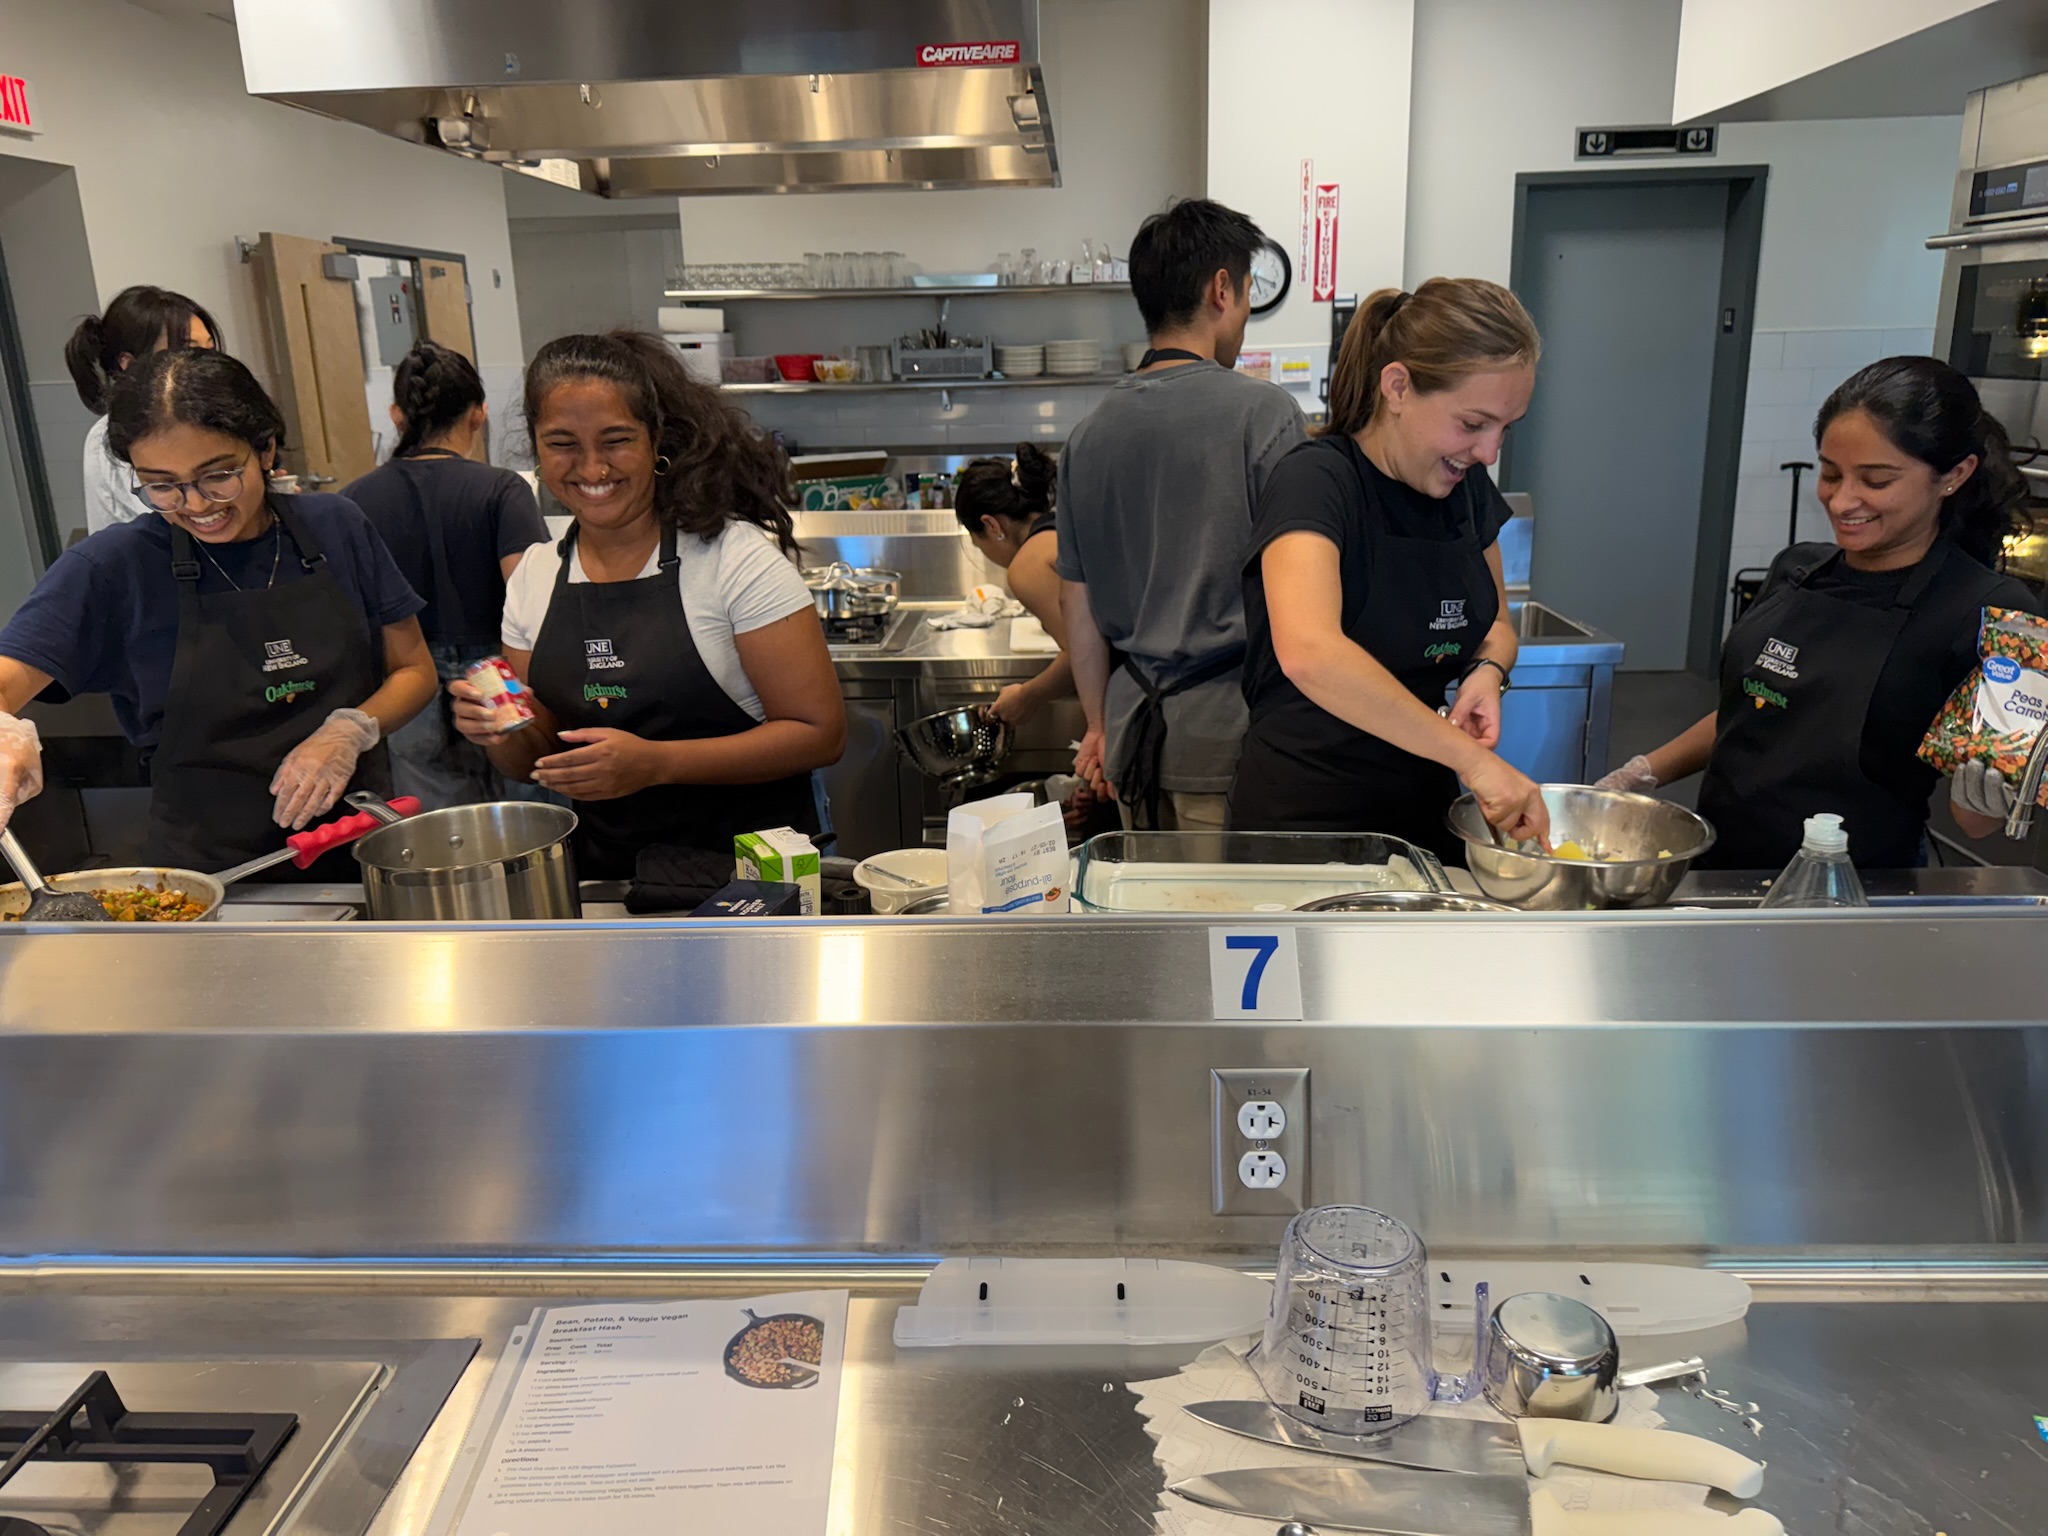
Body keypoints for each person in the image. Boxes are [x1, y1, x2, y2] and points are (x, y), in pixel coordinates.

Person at [1601, 356, 2043, 869]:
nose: (1841, 501)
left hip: (1853, 889)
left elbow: (1977, 823)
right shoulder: (1797, 569)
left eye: (1876, 480)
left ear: (1954, 475)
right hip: (1720, 870)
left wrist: (1987, 792)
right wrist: (1640, 773)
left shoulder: (1994, 615)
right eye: (1831, 474)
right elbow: (1752, 709)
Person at [0, 348, 436, 869]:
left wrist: (352, 728)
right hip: (211, 879)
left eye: (218, 475)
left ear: (265, 449)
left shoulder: (337, 527)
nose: (197, 504)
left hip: (362, 851)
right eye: (162, 485)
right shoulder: (114, 567)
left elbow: (414, 671)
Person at [448, 330, 846, 879]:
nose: (592, 468)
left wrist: (657, 764)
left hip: (755, 875)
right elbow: (535, 760)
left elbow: (820, 734)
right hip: (613, 883)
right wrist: (497, 725)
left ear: (656, 439)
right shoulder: (533, 577)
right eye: (562, 443)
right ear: (537, 449)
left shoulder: (733, 559)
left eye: (615, 440)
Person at [1228, 280, 1551, 856]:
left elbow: (1498, 624)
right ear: (1397, 387)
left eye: (1507, 428)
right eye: (1473, 424)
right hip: (1304, 820)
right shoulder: (1316, 482)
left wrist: (1486, 673)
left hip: (1423, 811)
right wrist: (1475, 761)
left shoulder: (1467, 491)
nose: (1489, 453)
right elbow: (1310, 653)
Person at [1057, 198, 1307, 830]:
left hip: (1130, 728)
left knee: (1148, 892)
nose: (1244, 318)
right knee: (1226, 898)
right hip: (1230, 734)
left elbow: (1077, 604)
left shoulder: (1086, 437)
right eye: (1246, 295)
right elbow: (1305, 594)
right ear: (1222, 289)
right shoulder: (1265, 414)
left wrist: (1098, 725)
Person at [342, 340, 549, 809]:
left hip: (404, 681)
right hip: (498, 674)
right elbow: (529, 596)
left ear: (397, 416)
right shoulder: (502, 489)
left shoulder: (355, 500)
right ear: (478, 415)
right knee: (528, 803)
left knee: (440, 823)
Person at [66, 286, 220, 535]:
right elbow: (182, 516)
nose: (209, 364)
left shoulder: (211, 414)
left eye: (209, 350)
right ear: (130, 364)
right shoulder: (114, 435)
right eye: (189, 351)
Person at [955, 443, 1072, 726]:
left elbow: (1085, 657)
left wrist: (1028, 696)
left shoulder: (1028, 566)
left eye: (978, 543)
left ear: (992, 526)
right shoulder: (1063, 528)